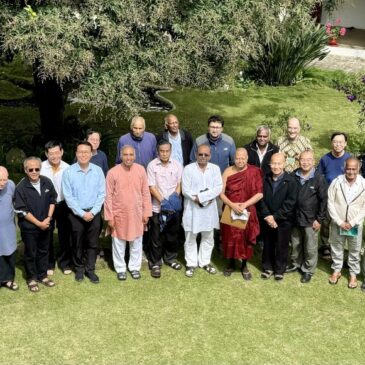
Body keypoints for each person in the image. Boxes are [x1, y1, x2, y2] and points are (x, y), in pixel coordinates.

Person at [104, 146, 152, 280]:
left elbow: (145, 193)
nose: (128, 157)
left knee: (136, 241)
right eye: (125, 154)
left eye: (131, 154)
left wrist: (146, 212)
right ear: (120, 155)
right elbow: (108, 196)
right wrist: (109, 217)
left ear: (135, 156)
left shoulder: (141, 170)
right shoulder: (112, 172)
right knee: (119, 242)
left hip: (137, 213)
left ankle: (134, 267)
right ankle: (120, 269)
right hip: (119, 213)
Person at [62, 141, 105, 284]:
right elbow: (68, 197)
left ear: (91, 154)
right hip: (76, 214)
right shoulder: (68, 172)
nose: (83, 155)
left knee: (93, 243)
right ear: (76, 153)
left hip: (94, 212)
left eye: (86, 152)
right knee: (77, 242)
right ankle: (79, 268)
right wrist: (81, 213)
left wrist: (92, 212)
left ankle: (90, 269)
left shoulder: (98, 171)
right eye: (80, 152)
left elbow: (102, 194)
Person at [14, 157, 57, 292]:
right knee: (31, 253)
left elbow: (52, 200)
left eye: (36, 169)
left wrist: (48, 218)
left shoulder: (47, 182)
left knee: (44, 251)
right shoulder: (21, 187)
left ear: (40, 168)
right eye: (30, 169)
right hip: (30, 228)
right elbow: (22, 210)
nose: (34, 171)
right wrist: (39, 223)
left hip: (46, 224)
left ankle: (42, 275)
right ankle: (32, 278)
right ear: (26, 170)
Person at [220, 148, 263, 280]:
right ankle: (231, 263)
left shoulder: (254, 171)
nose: (240, 160)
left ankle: (244, 265)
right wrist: (232, 205)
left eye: (242, 158)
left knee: (245, 239)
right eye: (237, 158)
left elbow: (260, 194)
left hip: (247, 209)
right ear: (234, 158)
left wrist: (244, 205)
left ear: (247, 158)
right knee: (230, 237)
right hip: (230, 209)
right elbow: (220, 193)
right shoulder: (228, 171)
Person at [286, 151, 328, 283]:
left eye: (308, 160)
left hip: (311, 219)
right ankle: (296, 264)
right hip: (295, 218)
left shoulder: (319, 178)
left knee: (310, 246)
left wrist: (319, 219)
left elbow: (324, 201)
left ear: (313, 161)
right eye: (303, 160)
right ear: (299, 161)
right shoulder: (293, 175)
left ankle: (308, 270)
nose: (305, 162)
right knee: (296, 243)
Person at [182, 144, 223, 277]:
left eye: (206, 155)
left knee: (208, 237)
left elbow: (218, 188)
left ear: (210, 156)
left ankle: (205, 262)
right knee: (190, 237)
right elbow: (185, 190)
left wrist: (203, 198)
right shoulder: (188, 169)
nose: (203, 157)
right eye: (200, 154)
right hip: (193, 209)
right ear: (196, 155)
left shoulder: (215, 169)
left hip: (209, 210)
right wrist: (198, 199)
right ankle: (191, 263)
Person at [147, 139, 183, 278]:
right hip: (157, 207)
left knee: (172, 235)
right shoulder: (152, 165)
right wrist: (164, 202)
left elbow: (179, 184)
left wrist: (173, 201)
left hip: (173, 208)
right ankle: (155, 262)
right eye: (162, 151)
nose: (164, 153)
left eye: (167, 151)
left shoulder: (177, 165)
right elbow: (151, 186)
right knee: (156, 236)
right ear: (158, 151)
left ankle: (170, 258)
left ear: (171, 151)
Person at [327, 157, 365, 289]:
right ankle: (336, 270)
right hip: (338, 223)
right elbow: (330, 202)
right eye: (348, 168)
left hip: (355, 225)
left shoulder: (363, 184)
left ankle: (353, 274)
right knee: (337, 248)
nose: (351, 171)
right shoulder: (337, 182)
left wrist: (353, 222)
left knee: (354, 250)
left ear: (358, 168)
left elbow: (364, 207)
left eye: (354, 169)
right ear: (344, 168)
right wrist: (339, 221)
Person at [259, 153, 298, 280]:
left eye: (279, 163)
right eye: (273, 163)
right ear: (270, 164)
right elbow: (261, 199)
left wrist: (275, 217)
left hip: (283, 220)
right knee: (268, 243)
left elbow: (290, 202)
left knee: (282, 245)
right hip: (267, 218)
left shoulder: (291, 181)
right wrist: (268, 216)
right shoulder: (265, 178)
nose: (276, 166)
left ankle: (280, 269)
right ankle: (268, 267)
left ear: (284, 164)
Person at [317, 132, 351, 258]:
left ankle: (341, 247)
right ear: (332, 143)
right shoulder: (325, 159)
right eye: (335, 142)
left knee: (342, 223)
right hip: (328, 197)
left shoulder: (349, 159)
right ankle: (325, 246)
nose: (338, 144)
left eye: (341, 142)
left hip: (345, 199)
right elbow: (319, 177)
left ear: (345, 144)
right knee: (326, 223)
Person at [41, 140, 72, 275]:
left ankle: (65, 263)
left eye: (57, 153)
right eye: (51, 153)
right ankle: (49, 263)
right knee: (47, 233)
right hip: (46, 205)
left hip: (63, 204)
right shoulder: (41, 167)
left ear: (62, 152)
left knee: (65, 234)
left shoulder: (68, 168)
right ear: (46, 154)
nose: (54, 156)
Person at [0, 166, 18, 291]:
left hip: (8, 227)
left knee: (9, 252)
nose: (2, 183)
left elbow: (15, 200)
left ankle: (8, 279)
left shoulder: (11, 185)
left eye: (4, 180)